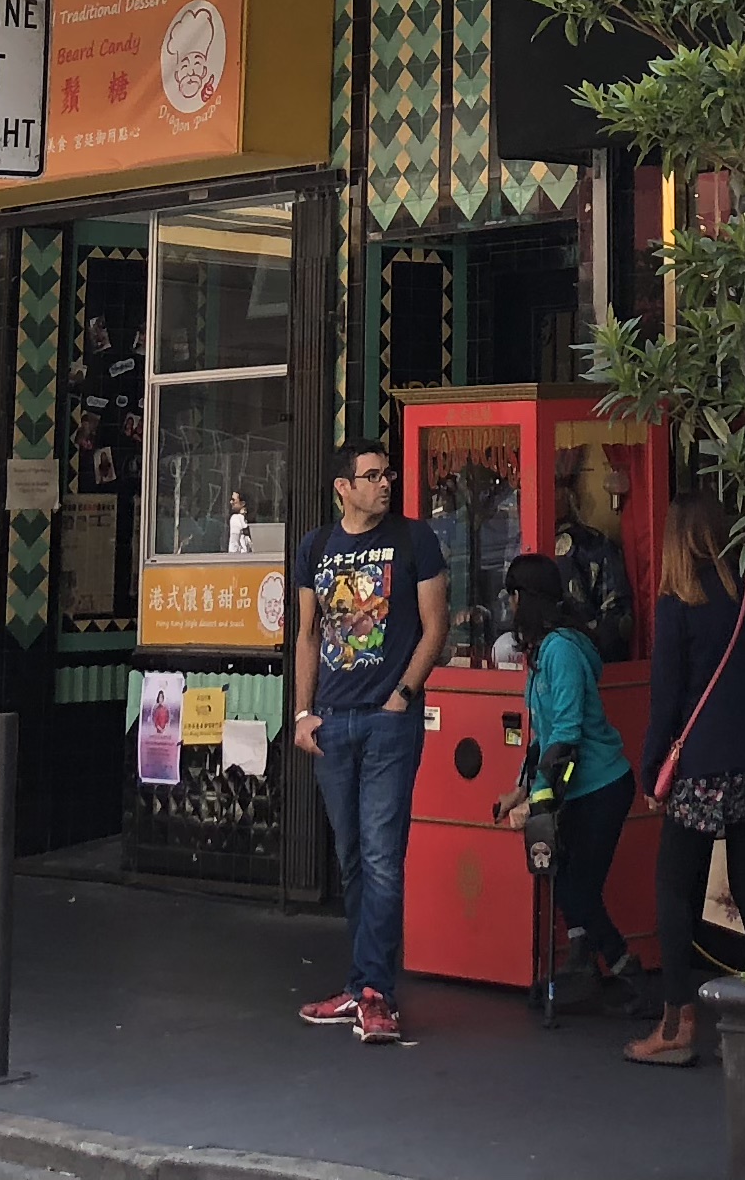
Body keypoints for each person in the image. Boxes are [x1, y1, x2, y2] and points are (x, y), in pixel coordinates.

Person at [290, 441, 450, 1048]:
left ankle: (377, 993)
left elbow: (436, 625)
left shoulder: (414, 540)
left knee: (382, 858)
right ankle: (361, 987)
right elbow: (307, 635)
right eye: (373, 476)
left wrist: (402, 697)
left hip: (388, 724)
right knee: (353, 858)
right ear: (343, 488)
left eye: (389, 474)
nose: (386, 484)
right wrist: (303, 714)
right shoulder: (315, 548)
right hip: (332, 723)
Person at [631, 495, 745, 1069]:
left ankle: (676, 1023)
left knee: (675, 890)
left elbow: (666, 701)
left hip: (702, 765)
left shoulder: (679, 602)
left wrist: (651, 770)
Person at [503, 550, 635, 1013]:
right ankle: (586, 967)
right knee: (567, 880)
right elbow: (542, 735)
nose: (508, 605)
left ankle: (629, 974)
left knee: (578, 888)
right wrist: (521, 788)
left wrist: (539, 802)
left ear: (525, 598)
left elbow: (566, 735)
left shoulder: (560, 651)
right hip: (579, 787)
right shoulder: (542, 651)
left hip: (602, 786)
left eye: (511, 595)